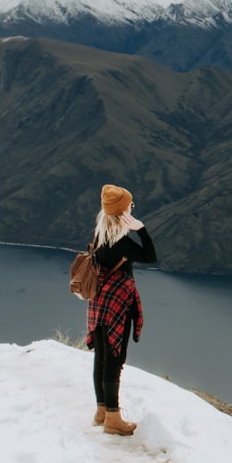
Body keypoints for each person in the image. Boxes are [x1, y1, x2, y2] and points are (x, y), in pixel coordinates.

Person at [87, 184, 157, 436]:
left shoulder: (100, 236)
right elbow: (150, 256)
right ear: (122, 211)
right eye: (130, 205)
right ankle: (114, 419)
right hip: (117, 303)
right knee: (114, 361)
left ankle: (102, 411)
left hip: (98, 303)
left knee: (101, 357)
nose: (132, 207)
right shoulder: (122, 242)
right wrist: (142, 229)